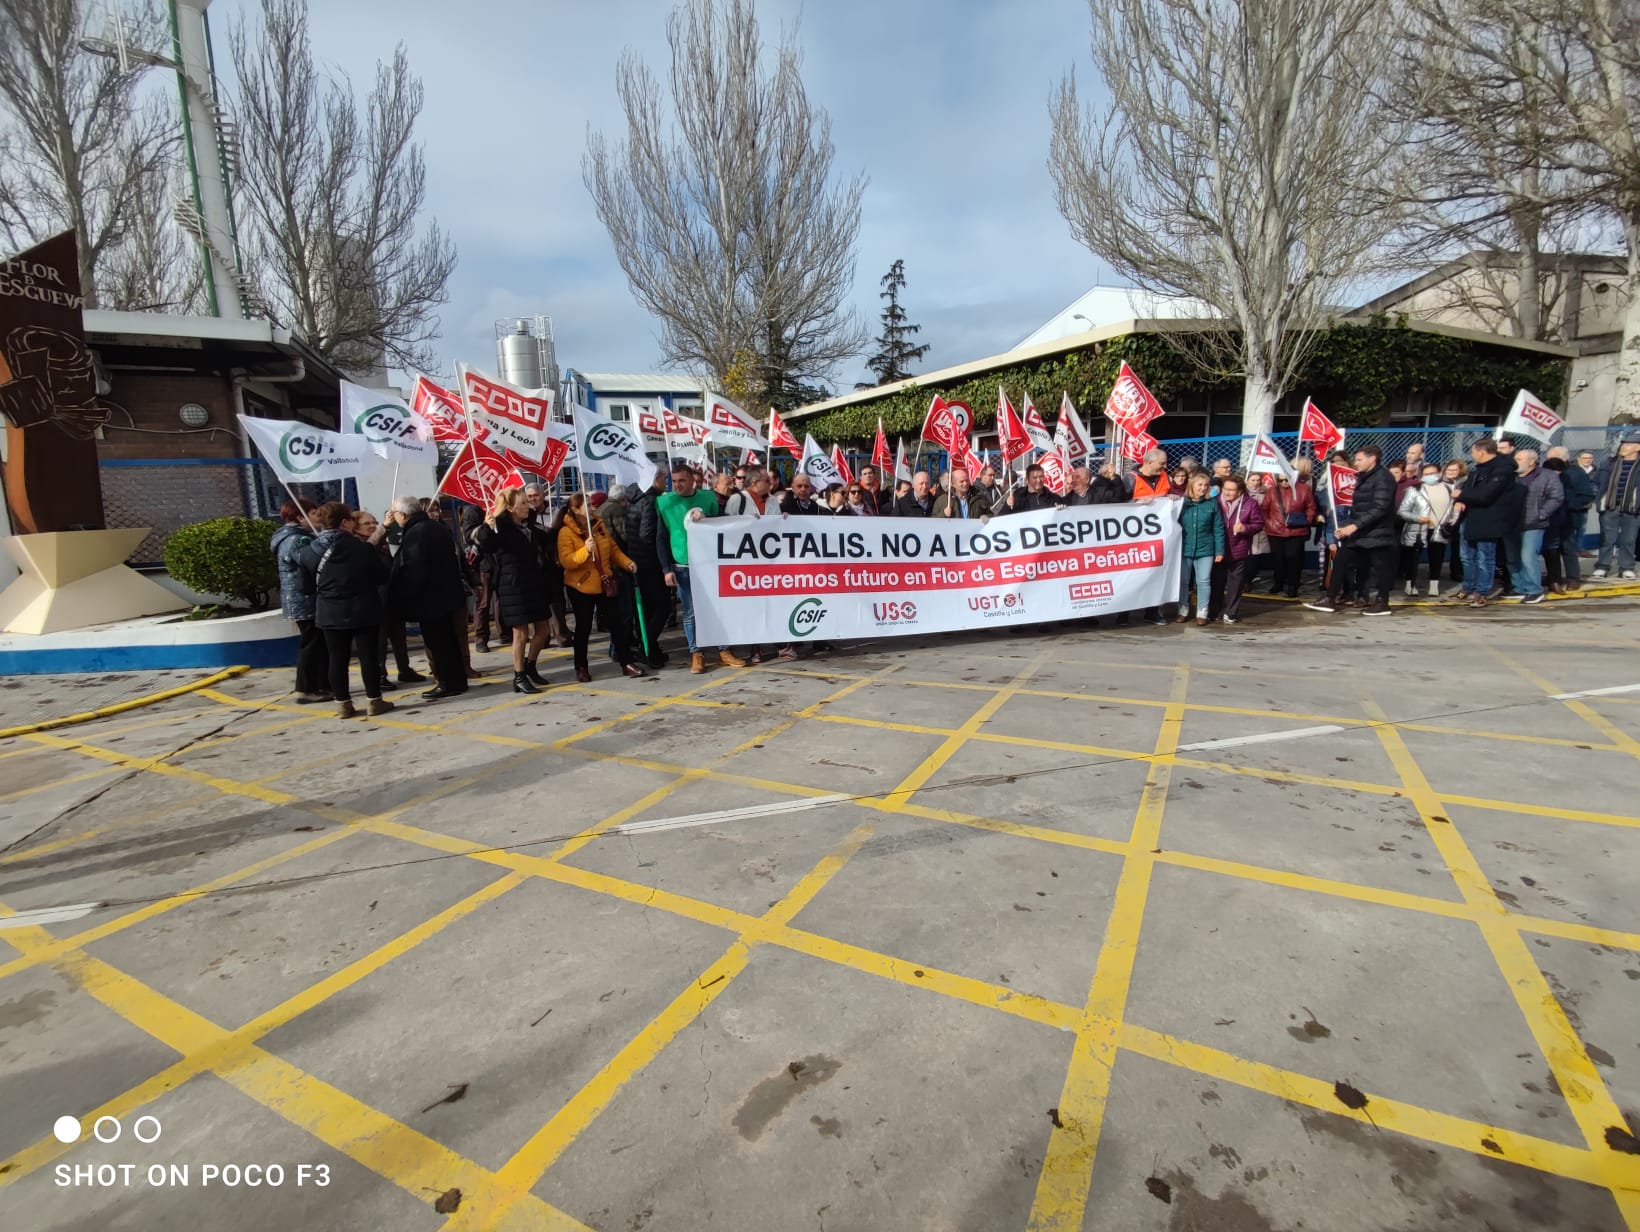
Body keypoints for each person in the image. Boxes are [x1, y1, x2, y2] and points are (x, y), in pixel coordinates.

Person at [298, 503, 392, 718]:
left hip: (329, 611)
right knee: (368, 657)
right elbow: (381, 576)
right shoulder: (362, 548)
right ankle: (374, 701)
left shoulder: (308, 552)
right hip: (363, 608)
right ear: (345, 522)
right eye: (351, 519)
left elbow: (305, 587)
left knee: (337, 658)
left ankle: (343, 704)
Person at [657, 462, 743, 674]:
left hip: (709, 563)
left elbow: (720, 525)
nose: (677, 485)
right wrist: (666, 569)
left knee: (717, 608)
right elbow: (660, 537)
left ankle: (724, 650)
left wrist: (706, 519)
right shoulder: (664, 502)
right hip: (683, 565)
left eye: (681, 481)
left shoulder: (708, 498)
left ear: (693, 480)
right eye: (674, 481)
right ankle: (696, 653)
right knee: (690, 612)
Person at [385, 495, 468, 699]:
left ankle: (447, 683)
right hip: (446, 594)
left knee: (438, 643)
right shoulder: (435, 527)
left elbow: (415, 569)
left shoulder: (416, 533)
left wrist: (408, 595)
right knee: (449, 641)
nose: (394, 517)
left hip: (431, 599)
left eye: (395, 513)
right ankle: (458, 680)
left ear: (403, 515)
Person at [555, 494, 644, 682]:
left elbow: (613, 550)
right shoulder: (565, 532)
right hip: (581, 587)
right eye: (587, 505)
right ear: (576, 509)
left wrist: (627, 563)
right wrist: (585, 550)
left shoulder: (598, 525)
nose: (593, 507)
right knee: (583, 628)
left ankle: (626, 662)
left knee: (616, 624)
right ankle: (581, 667)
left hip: (604, 582)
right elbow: (567, 561)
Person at [473, 486, 551, 693]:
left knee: (544, 629)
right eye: (523, 503)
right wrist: (487, 527)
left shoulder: (526, 524)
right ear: (510, 507)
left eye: (528, 501)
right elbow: (486, 545)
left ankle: (530, 665)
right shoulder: (499, 527)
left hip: (533, 583)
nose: (528, 505)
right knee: (521, 633)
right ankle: (519, 676)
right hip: (513, 586)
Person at [1305, 444, 1398, 616]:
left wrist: (1354, 526)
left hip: (1377, 533)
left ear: (1372, 459)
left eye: (1359, 459)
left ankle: (1382, 602)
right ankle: (1330, 598)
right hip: (1360, 532)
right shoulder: (1364, 477)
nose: (1356, 463)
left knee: (1380, 567)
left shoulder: (1384, 478)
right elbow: (1357, 508)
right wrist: (1345, 526)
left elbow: (1380, 507)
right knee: (1340, 561)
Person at [352, 509, 425, 691]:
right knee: (380, 640)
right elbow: (369, 547)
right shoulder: (358, 544)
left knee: (399, 637)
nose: (372, 526)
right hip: (375, 599)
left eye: (373, 522)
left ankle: (404, 669)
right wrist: (384, 526)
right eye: (367, 523)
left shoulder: (381, 542)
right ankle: (380, 674)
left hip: (390, 596)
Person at [271, 499, 329, 704]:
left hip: (302, 598)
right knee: (312, 644)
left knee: (318, 642)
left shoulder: (297, 537)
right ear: (299, 517)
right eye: (313, 514)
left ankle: (321, 683)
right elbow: (312, 562)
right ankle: (305, 688)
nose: (316, 518)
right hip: (305, 599)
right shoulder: (297, 540)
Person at [1452, 437, 1517, 607]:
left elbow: (1486, 494)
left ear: (1482, 452)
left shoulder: (1502, 471)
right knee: (1466, 556)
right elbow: (1468, 488)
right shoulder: (1477, 470)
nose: (1472, 455)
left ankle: (1482, 592)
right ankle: (1468, 587)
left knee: (1484, 558)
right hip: (1470, 518)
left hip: (1489, 520)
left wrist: (1461, 495)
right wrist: (1461, 499)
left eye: (1473, 452)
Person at [626, 469, 671, 669]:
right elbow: (647, 533)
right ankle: (647, 646)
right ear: (656, 479)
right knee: (662, 607)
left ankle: (650, 648)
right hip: (650, 563)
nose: (666, 483)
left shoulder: (635, 499)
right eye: (665, 479)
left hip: (637, 560)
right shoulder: (651, 501)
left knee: (648, 609)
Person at [1507, 449, 1561, 605]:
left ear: (1531, 461)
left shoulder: (1547, 476)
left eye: (1519, 458)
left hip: (1533, 523)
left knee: (1528, 556)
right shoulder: (1511, 476)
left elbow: (1556, 497)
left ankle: (1534, 590)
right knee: (1512, 557)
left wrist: (1541, 514)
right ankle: (1519, 587)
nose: (1515, 460)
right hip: (1510, 523)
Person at [1396, 462, 1458, 597]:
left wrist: (1452, 519)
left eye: (1433, 473)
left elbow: (1453, 508)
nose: (1430, 476)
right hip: (1418, 529)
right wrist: (1418, 518)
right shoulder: (1415, 489)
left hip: (1439, 530)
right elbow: (1402, 511)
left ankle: (1434, 585)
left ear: (1440, 473)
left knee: (1437, 558)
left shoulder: (1449, 488)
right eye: (1426, 474)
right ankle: (1410, 584)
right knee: (1412, 558)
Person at [1208, 474, 1262, 624]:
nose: (1227, 493)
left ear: (1239, 491)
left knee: (1235, 584)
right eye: (1225, 489)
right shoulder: (1215, 501)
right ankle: (1214, 610)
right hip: (1218, 549)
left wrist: (1245, 528)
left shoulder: (1250, 504)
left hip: (1239, 549)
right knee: (1216, 583)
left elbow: (1258, 524)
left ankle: (1231, 612)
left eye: (1231, 490)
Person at [524, 485, 570, 647]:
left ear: (543, 495)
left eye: (535, 495)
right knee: (538, 603)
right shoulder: (524, 516)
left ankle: (561, 634)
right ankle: (541, 637)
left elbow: (557, 535)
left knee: (557, 601)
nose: (532, 499)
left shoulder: (554, 512)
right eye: (529, 496)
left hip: (552, 564)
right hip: (534, 566)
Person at [1176, 471, 1225, 626]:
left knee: (1203, 581)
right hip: (1185, 548)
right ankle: (1182, 609)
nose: (1203, 488)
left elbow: (1218, 528)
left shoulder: (1212, 504)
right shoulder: (1182, 503)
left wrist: (1219, 551)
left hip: (1206, 549)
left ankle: (1202, 611)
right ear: (1192, 486)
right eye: (1200, 485)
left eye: (1205, 485)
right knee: (1183, 581)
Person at [1260, 469, 1317, 598]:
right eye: (1281, 480)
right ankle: (1278, 582)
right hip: (1275, 530)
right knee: (1278, 559)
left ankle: (1293, 585)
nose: (1284, 482)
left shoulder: (1304, 489)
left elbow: (1311, 507)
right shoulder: (1273, 491)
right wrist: (1269, 523)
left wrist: (1306, 520)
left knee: (1294, 559)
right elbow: (1264, 508)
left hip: (1296, 530)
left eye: (1287, 479)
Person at [1592, 433, 1640, 579]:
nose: (1624, 447)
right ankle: (1602, 566)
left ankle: (1626, 567)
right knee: (1607, 538)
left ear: (1638, 447)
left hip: (1633, 509)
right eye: (1623, 444)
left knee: (1629, 539)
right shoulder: (1610, 462)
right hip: (1610, 507)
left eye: (1629, 444)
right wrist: (1597, 496)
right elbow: (1597, 482)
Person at [1549, 446, 1596, 589]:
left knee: (1568, 548)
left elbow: (1587, 495)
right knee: (1551, 550)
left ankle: (1573, 578)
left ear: (1564, 458)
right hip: (1549, 517)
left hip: (1568, 517)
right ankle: (1554, 578)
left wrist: (1567, 505)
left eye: (1554, 457)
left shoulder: (1575, 473)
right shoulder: (1546, 472)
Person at [1441, 459, 1469, 586]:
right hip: (1442, 515)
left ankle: (1457, 571)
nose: (1450, 472)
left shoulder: (1465, 483)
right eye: (1449, 470)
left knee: (1457, 546)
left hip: (1460, 517)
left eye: (1454, 470)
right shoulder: (1441, 483)